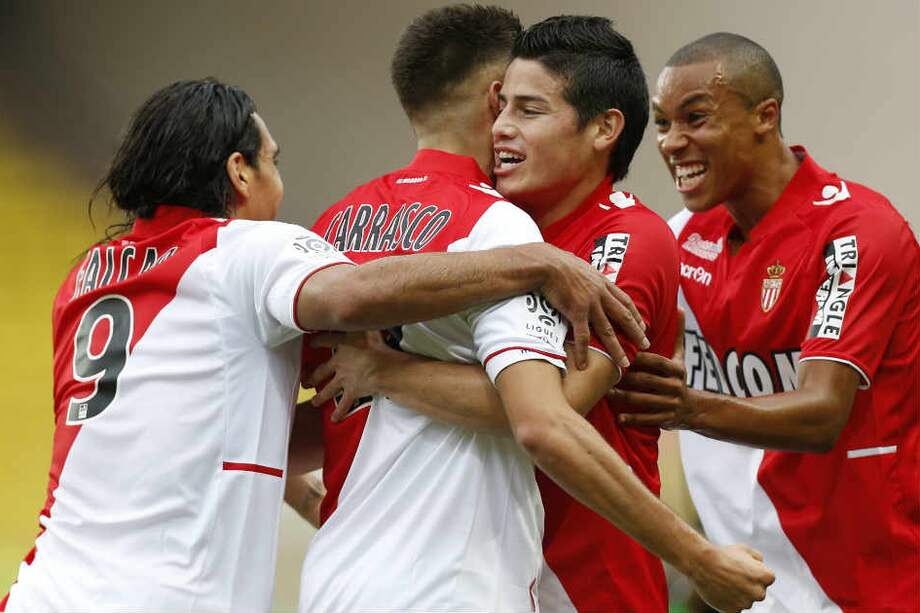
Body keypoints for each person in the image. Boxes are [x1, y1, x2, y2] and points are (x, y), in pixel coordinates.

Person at [0, 77, 646, 613]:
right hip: (162, 597)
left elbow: (229, 434)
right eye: (273, 161)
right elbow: (353, 293)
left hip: (41, 589)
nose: (279, 186)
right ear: (239, 172)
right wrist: (535, 262)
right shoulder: (246, 249)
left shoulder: (85, 278)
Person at [299, 11, 774, 613]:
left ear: (604, 129)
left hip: (590, 585)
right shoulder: (488, 228)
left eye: (528, 111)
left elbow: (557, 406)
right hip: (485, 569)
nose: (501, 129)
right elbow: (328, 402)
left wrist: (384, 374)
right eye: (500, 109)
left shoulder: (630, 236)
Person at [614, 32, 920, 612]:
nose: (673, 143)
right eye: (661, 123)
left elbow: (822, 415)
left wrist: (687, 408)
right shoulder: (678, 239)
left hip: (863, 582)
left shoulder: (855, 234)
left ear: (765, 116)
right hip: (750, 582)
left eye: (695, 117)